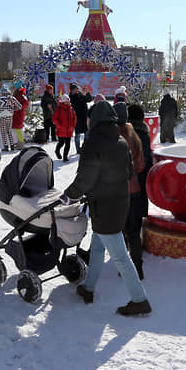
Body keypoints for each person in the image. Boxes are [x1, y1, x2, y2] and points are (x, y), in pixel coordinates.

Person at [63, 100, 151, 316]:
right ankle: (88, 288)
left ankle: (139, 300)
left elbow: (85, 178)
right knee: (98, 247)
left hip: (104, 206)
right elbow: (130, 171)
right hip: (119, 202)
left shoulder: (94, 143)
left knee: (120, 256)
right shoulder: (120, 141)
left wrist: (70, 195)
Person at [116, 105, 146, 279]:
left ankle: (125, 268)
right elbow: (141, 165)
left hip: (120, 191)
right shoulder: (133, 134)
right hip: (135, 189)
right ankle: (138, 268)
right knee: (133, 231)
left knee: (121, 232)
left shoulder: (115, 137)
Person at [126, 103, 154, 280]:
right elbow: (147, 157)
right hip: (141, 178)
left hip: (128, 180)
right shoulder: (144, 132)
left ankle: (128, 254)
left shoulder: (126, 133)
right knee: (137, 216)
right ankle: (136, 251)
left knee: (125, 219)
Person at [69, 83, 93, 153]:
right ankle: (78, 150)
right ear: (72, 90)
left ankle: (85, 147)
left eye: (77, 89)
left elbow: (89, 99)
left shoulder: (80, 94)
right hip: (77, 118)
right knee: (77, 135)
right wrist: (83, 96)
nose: (76, 90)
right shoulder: (70, 97)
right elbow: (76, 103)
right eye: (74, 89)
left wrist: (87, 93)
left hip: (84, 117)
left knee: (87, 134)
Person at [53, 94, 77, 162]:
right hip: (61, 130)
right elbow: (54, 119)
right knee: (61, 143)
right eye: (67, 100)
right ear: (64, 101)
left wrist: (73, 125)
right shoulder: (59, 109)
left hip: (69, 130)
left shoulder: (71, 108)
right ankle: (57, 151)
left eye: (69, 100)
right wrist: (59, 125)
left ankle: (65, 157)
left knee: (68, 144)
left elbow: (74, 117)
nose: (69, 102)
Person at [0, 87, 22, 151]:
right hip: (9, 116)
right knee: (9, 131)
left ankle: (5, 146)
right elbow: (20, 106)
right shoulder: (12, 98)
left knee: (3, 132)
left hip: (1, 116)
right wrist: (13, 109)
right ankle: (12, 145)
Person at [11, 84, 29, 149]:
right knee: (17, 129)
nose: (13, 88)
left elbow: (26, 103)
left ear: (17, 88)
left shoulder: (21, 95)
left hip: (19, 115)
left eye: (14, 87)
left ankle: (21, 144)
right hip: (16, 114)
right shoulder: (17, 94)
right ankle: (19, 143)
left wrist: (19, 108)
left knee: (18, 129)